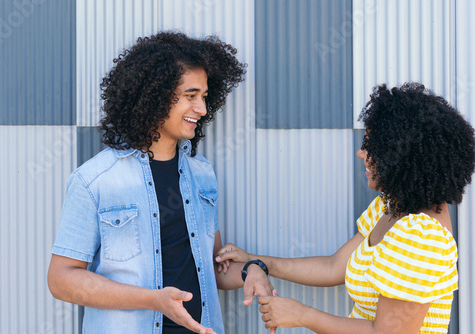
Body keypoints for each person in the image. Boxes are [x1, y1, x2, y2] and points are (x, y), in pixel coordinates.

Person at [47, 31, 273, 334]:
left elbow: (213, 268)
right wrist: (153, 300)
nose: (202, 109)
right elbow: (61, 279)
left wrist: (251, 270)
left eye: (204, 97)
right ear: (153, 96)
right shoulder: (94, 180)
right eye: (190, 96)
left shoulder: (202, 173)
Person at [216, 83, 475, 333]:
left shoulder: (421, 236)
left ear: (402, 156)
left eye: (371, 146)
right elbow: (333, 266)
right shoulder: (390, 207)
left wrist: (302, 315)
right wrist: (256, 261)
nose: (361, 153)